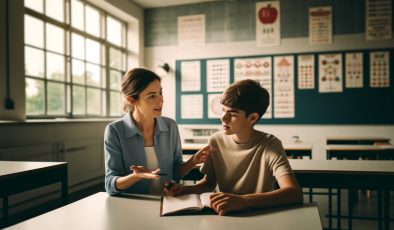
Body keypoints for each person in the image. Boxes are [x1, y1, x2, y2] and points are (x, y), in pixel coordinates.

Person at [165, 79, 303, 215]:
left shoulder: (270, 145)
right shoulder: (216, 140)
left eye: (232, 114)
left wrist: (244, 201)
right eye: (223, 110)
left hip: (257, 216)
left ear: (253, 118)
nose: (223, 118)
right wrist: (183, 190)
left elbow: (294, 193)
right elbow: (208, 184)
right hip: (223, 215)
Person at [104, 68, 214, 195]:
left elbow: (175, 173)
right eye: (151, 96)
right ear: (132, 100)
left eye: (160, 93)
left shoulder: (170, 126)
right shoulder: (115, 131)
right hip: (134, 204)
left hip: (167, 202)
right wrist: (136, 176)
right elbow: (110, 185)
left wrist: (193, 161)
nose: (160, 100)